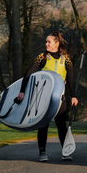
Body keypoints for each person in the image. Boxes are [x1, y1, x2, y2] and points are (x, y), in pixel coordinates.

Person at [16, 31, 77, 162]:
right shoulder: (42, 57)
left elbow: (71, 78)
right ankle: (42, 153)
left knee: (61, 125)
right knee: (43, 125)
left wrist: (73, 96)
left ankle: (65, 152)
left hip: (60, 97)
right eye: (46, 41)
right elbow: (28, 74)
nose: (46, 44)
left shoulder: (66, 58)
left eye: (49, 42)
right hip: (44, 97)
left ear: (57, 43)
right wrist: (22, 91)